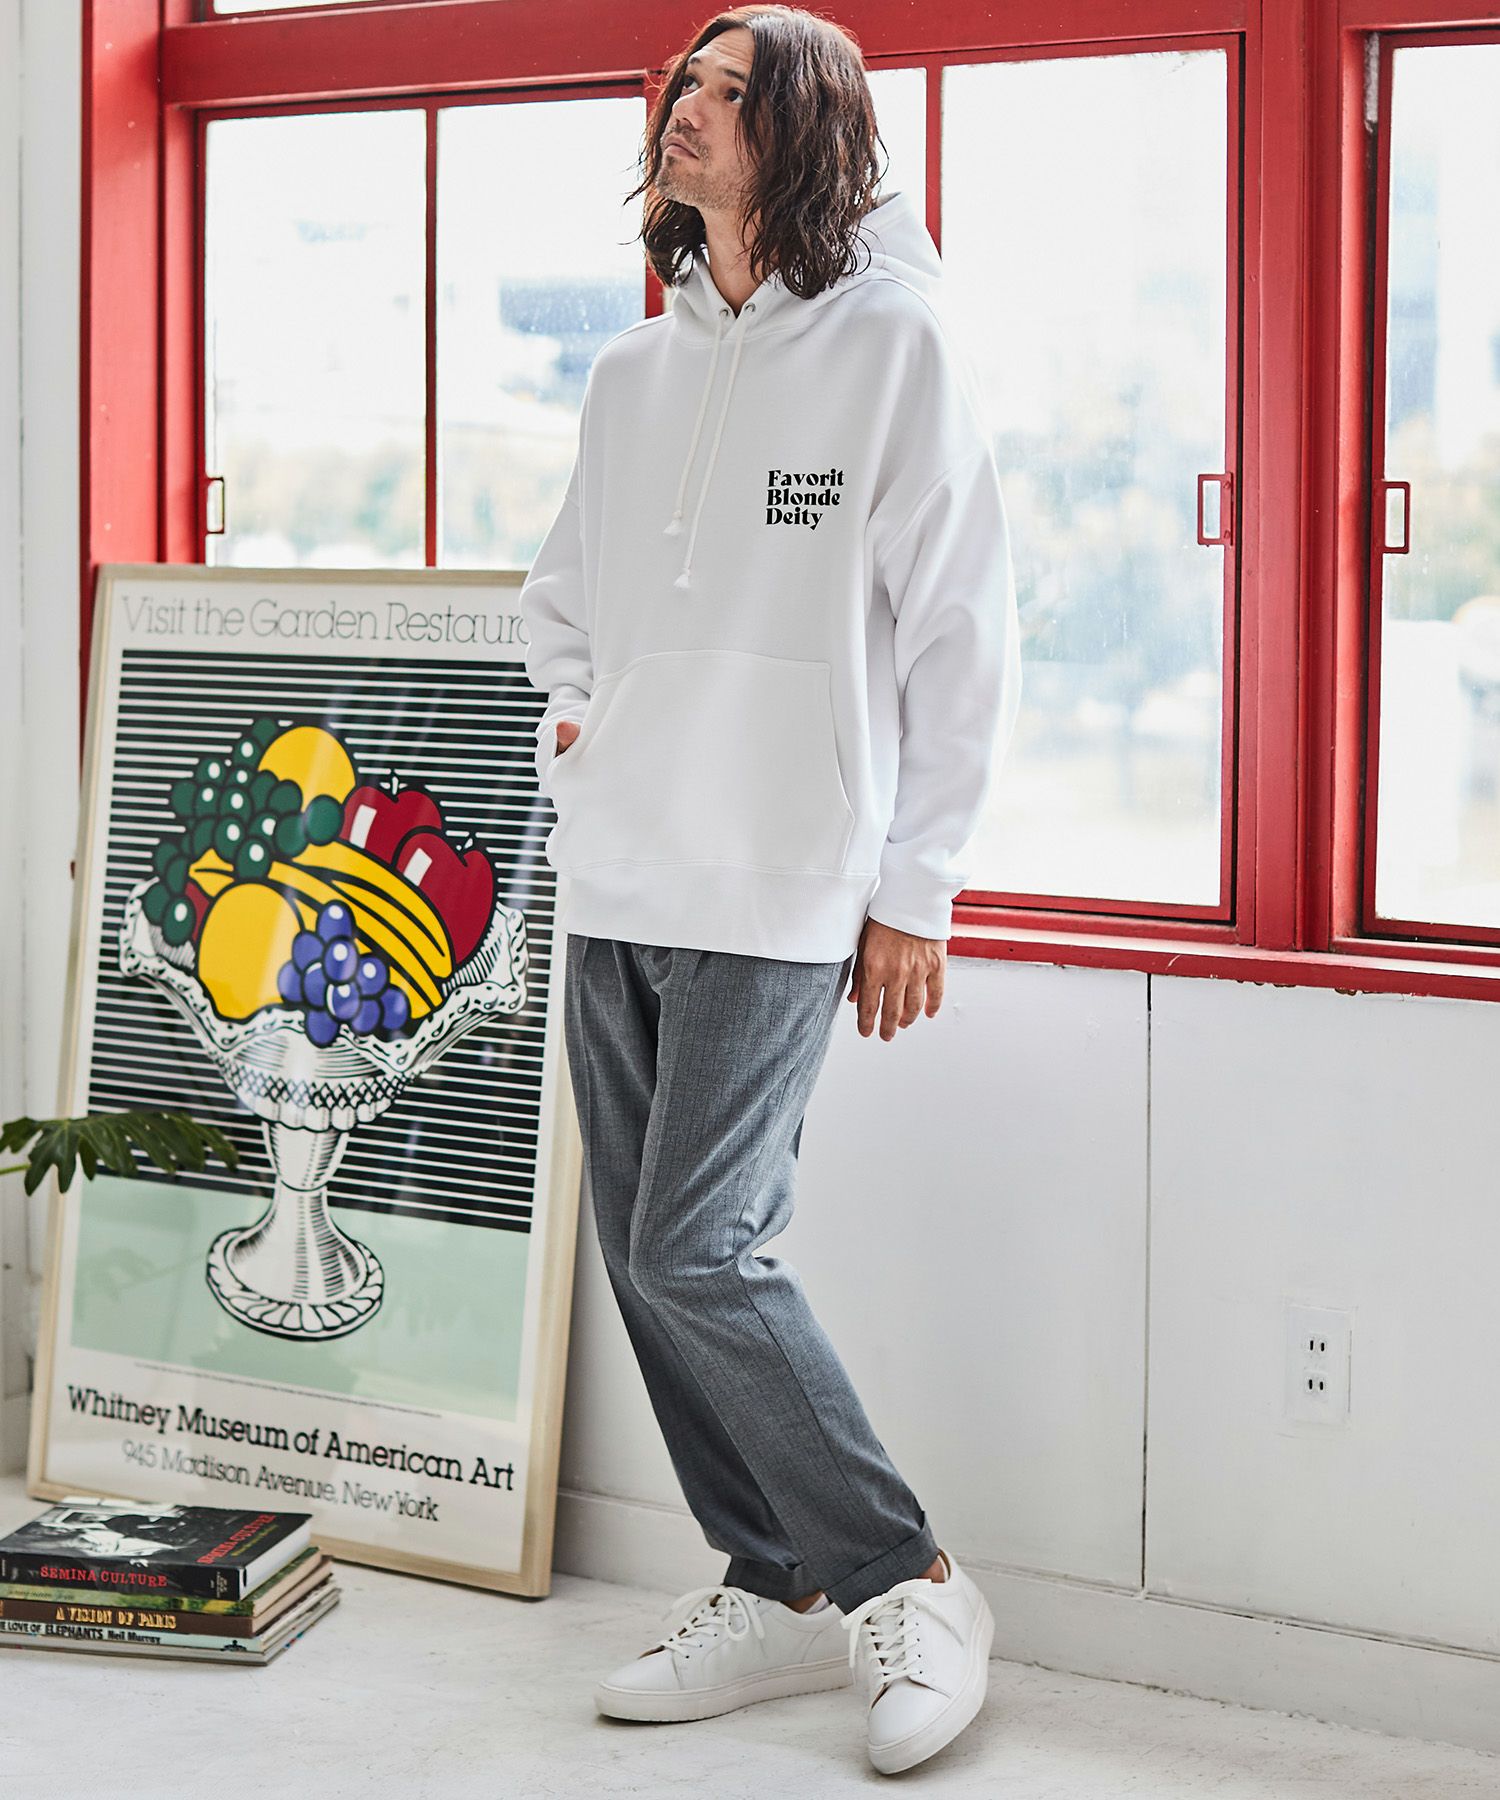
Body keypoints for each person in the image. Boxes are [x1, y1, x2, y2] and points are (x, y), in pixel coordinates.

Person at [519, 4, 1021, 1776]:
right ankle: (775, 1576)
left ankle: (908, 1578)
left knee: (697, 1245)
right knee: (644, 1260)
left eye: (734, 91)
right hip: (620, 869)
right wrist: (582, 724)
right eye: (685, 79)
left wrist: (921, 888)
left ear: (803, 130)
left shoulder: (895, 347)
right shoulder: (628, 374)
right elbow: (560, 598)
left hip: (788, 875)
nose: (689, 106)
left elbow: (963, 633)